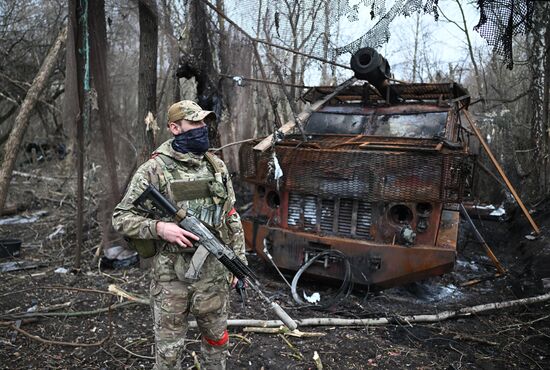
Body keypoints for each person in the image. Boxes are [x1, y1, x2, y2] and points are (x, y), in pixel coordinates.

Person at [112, 100, 247, 370]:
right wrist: (160, 228)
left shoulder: (216, 167)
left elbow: (230, 215)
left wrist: (238, 262)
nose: (202, 128)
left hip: (213, 274)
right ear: (175, 128)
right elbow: (121, 217)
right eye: (194, 123)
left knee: (217, 343)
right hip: (171, 278)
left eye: (203, 123)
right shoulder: (153, 169)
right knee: (170, 353)